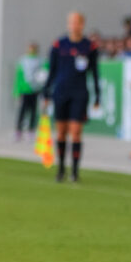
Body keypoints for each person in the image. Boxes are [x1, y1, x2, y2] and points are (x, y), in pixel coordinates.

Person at [43, 11, 100, 182]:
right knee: (61, 133)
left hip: (79, 93)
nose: (75, 25)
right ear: (68, 24)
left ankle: (75, 172)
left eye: (78, 22)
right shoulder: (59, 45)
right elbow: (51, 71)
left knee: (76, 133)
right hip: (61, 92)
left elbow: (95, 72)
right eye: (72, 22)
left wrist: (98, 95)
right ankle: (61, 169)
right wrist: (46, 92)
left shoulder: (89, 47)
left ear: (82, 24)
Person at [13, 43, 46, 141]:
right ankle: (18, 131)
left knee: (33, 111)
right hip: (25, 89)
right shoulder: (23, 60)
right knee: (22, 111)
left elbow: (44, 72)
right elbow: (19, 76)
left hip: (35, 90)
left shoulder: (40, 60)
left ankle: (31, 131)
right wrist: (17, 90)